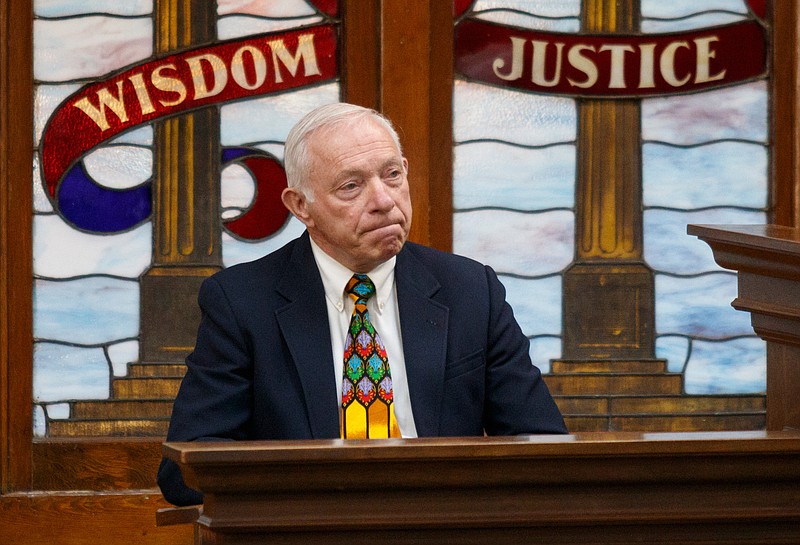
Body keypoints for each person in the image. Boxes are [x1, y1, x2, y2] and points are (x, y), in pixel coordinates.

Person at [157, 102, 567, 506]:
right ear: (301, 206)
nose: (384, 200)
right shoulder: (242, 301)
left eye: (392, 175)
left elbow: (543, 447)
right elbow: (186, 470)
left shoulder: (471, 291)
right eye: (351, 186)